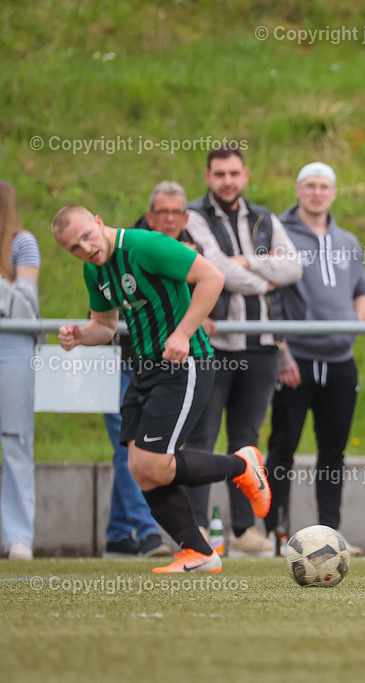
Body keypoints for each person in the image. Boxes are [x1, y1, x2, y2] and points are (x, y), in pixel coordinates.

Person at [52, 205, 270, 573]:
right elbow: (105, 325)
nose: (85, 249)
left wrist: (183, 333)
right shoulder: (95, 270)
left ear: (99, 222)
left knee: (154, 462)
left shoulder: (145, 245)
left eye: (87, 236)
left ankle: (242, 465)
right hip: (144, 369)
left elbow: (212, 277)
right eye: (74, 247)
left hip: (184, 364)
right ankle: (199, 553)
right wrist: (80, 335)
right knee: (140, 468)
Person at [183, 147, 301, 556]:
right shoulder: (193, 216)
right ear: (208, 176)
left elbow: (294, 267)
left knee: (247, 439)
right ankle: (197, 527)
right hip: (212, 345)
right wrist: (263, 275)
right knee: (201, 435)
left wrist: (247, 263)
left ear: (245, 175)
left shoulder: (265, 217)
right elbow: (216, 271)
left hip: (261, 345)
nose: (228, 181)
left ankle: (243, 529)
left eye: (234, 173)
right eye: (220, 174)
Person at [262, 163, 365, 547]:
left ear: (334, 192)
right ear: (298, 190)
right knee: (283, 447)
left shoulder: (348, 241)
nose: (317, 193)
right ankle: (275, 533)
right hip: (296, 359)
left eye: (324, 186)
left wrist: (353, 328)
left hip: (340, 361)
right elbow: (269, 296)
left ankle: (330, 535)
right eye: (310, 186)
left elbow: (361, 291)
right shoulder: (280, 235)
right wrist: (282, 352)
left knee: (333, 452)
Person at [103, 182, 195, 558]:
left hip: (172, 369)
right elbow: (106, 311)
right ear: (149, 215)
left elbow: (213, 290)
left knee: (141, 452)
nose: (169, 219)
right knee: (134, 451)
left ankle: (120, 535)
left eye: (176, 212)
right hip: (128, 364)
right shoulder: (125, 249)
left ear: (185, 218)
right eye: (162, 212)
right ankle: (147, 533)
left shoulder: (192, 248)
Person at [0, 181, 39, 560]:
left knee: (15, 440)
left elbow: (25, 304)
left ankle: (18, 537)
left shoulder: (22, 243)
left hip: (11, 346)